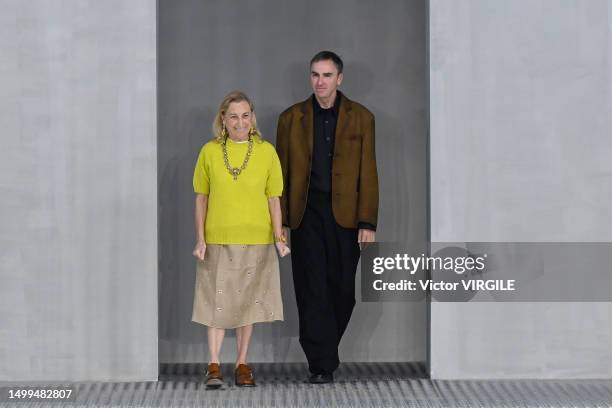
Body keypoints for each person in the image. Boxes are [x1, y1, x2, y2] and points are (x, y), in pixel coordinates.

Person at [276, 51, 379, 384]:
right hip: (305, 215)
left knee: (341, 290)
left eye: (327, 75)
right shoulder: (291, 118)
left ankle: (325, 351)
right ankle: (321, 364)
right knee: (311, 289)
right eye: (315, 75)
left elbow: (369, 172)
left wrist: (368, 221)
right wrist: (279, 222)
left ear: (340, 78)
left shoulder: (362, 117)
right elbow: (278, 175)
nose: (320, 82)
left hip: (346, 218)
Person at [192, 91, 290, 389]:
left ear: (252, 118)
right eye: (233, 116)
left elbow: (274, 199)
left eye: (245, 115)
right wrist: (200, 238)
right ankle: (213, 364)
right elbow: (201, 199)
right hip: (218, 239)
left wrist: (279, 237)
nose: (240, 122)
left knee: (248, 303)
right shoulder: (209, 152)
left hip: (256, 239)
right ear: (223, 118)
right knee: (215, 303)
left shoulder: (266, 152)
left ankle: (243, 363)